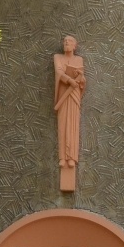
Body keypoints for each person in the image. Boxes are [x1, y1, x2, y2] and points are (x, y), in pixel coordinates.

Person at [54, 35, 87, 191]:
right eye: (65, 42)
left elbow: (81, 78)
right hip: (63, 95)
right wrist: (69, 80)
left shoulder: (79, 60)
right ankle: (62, 157)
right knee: (62, 125)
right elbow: (59, 72)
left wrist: (80, 80)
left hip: (73, 96)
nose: (66, 43)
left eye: (69, 42)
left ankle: (72, 157)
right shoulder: (57, 57)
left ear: (75, 45)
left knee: (72, 125)